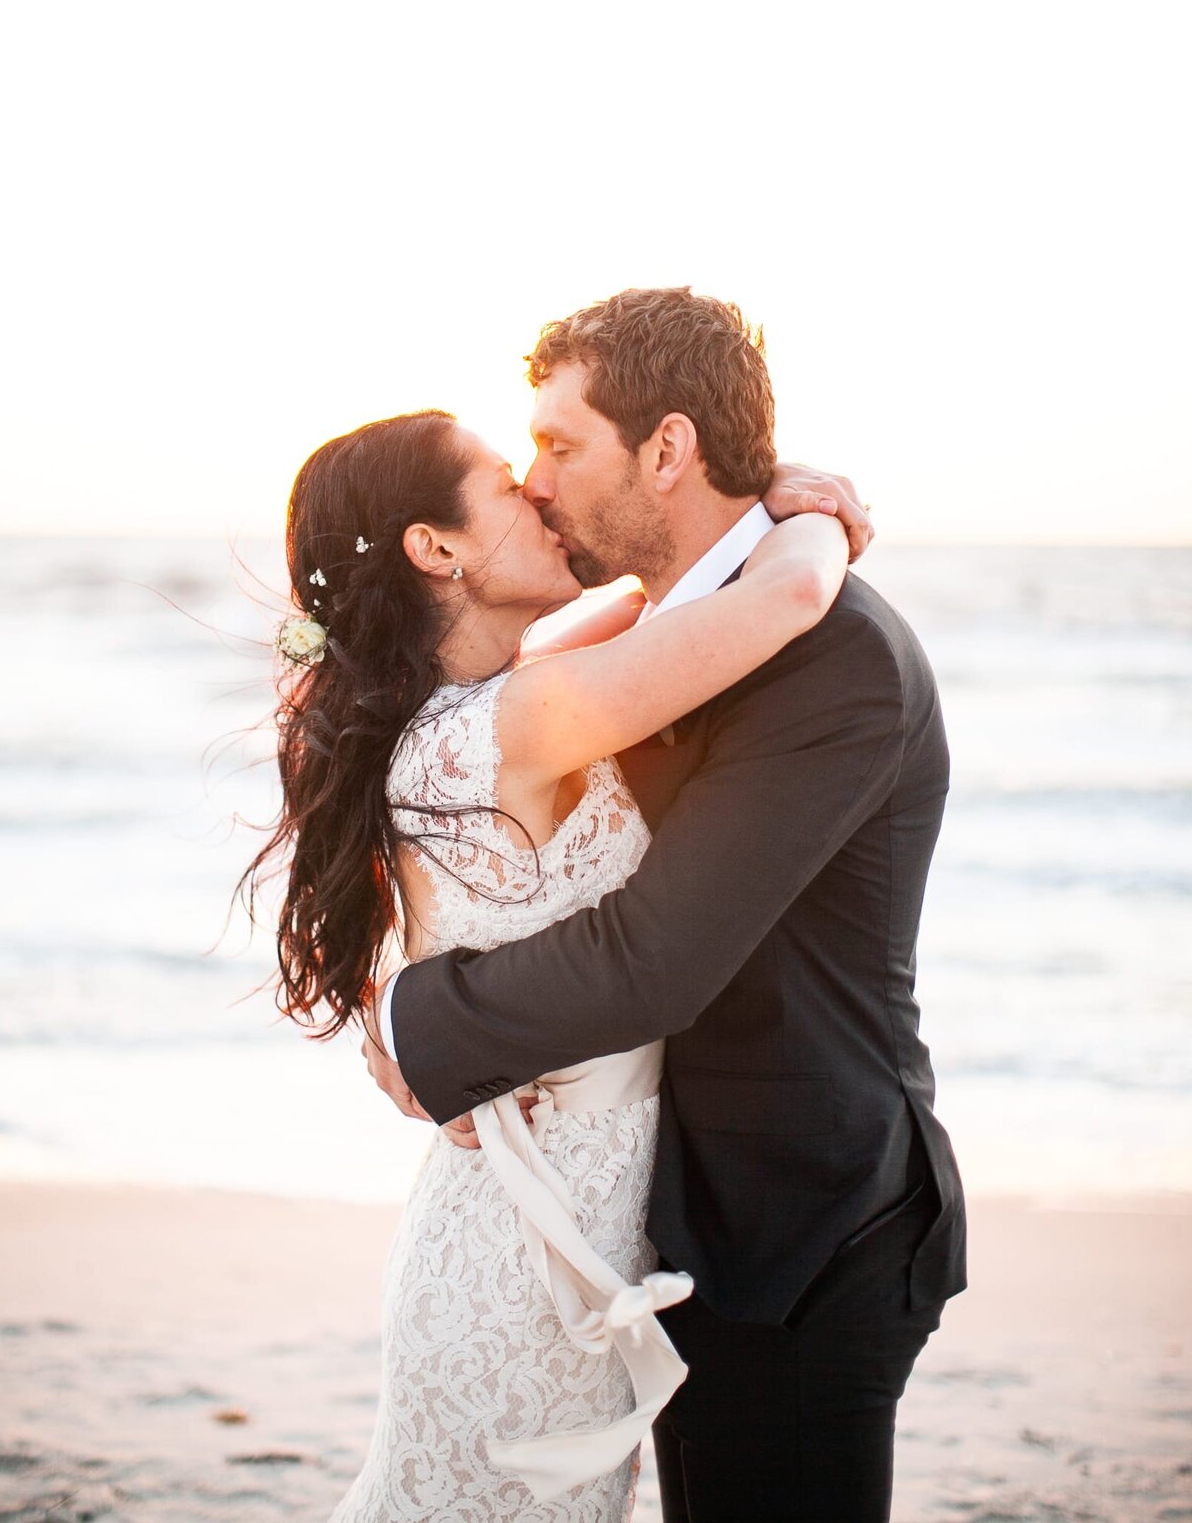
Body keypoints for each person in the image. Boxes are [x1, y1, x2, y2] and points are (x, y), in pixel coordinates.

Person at [365, 287, 967, 1523]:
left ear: (669, 448)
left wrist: (424, 1023)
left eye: (560, 445)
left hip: (810, 1223)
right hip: (683, 1217)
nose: (534, 483)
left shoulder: (834, 656)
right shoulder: (671, 634)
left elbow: (655, 960)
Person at [241, 396, 854, 1522]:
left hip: (531, 1228)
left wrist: (764, 508)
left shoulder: (473, 704)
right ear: (437, 550)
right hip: (523, 1266)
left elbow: (641, 606)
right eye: (497, 480)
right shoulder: (505, 726)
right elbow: (795, 597)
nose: (534, 487)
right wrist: (815, 512)